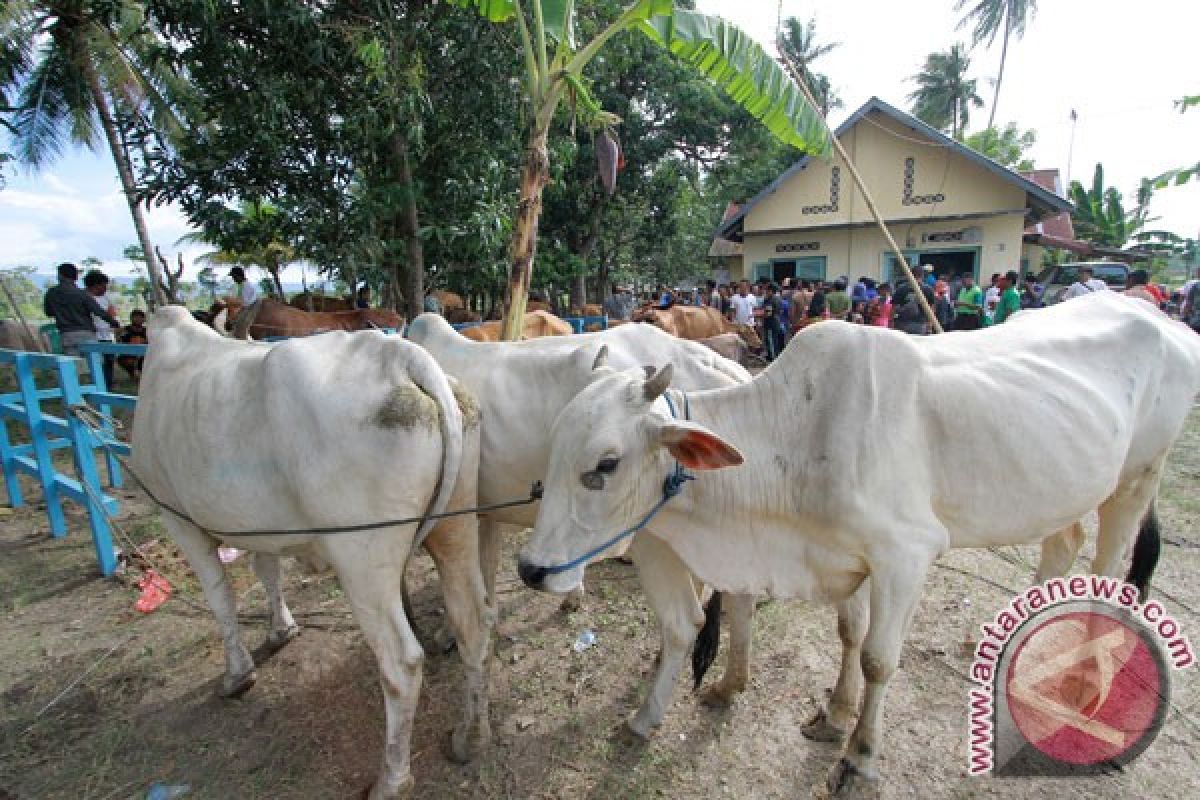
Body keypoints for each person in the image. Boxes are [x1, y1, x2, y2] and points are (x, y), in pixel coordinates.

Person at [43, 262, 121, 357]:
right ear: (76, 277)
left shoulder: (51, 293)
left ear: (60, 275)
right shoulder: (82, 294)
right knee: (94, 365)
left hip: (67, 334)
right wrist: (114, 322)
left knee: (74, 365)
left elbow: (49, 313)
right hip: (86, 333)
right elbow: (98, 312)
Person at [83, 270, 117, 386]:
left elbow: (112, 313)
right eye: (104, 285)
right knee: (97, 363)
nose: (105, 288)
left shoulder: (106, 298)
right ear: (96, 285)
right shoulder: (84, 297)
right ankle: (98, 385)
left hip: (107, 335)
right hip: (93, 335)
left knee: (109, 361)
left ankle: (108, 384)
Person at [118, 309, 148, 382]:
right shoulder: (126, 330)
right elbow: (121, 342)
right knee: (122, 359)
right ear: (131, 318)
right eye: (135, 317)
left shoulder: (146, 331)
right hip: (128, 354)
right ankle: (133, 374)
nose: (138, 319)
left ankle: (141, 374)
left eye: (140, 317)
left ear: (143, 319)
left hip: (143, 354)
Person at [761, 283, 786, 361]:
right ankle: (774, 357)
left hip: (770, 324)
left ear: (771, 291)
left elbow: (768, 313)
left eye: (767, 290)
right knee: (776, 341)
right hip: (777, 322)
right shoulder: (779, 299)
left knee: (771, 341)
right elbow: (781, 311)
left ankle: (773, 359)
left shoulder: (769, 300)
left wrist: (758, 315)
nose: (766, 292)